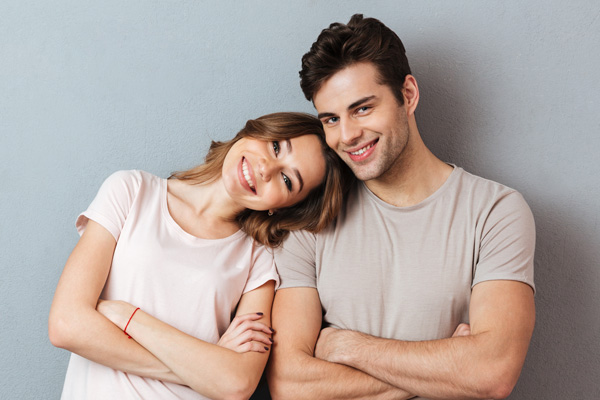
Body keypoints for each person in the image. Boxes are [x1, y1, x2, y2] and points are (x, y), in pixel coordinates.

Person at [267, 14, 536, 400]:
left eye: (362, 108)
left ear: (407, 94)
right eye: (331, 118)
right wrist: (449, 365)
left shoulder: (496, 212)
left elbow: (492, 373)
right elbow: (290, 385)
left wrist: (346, 347)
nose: (347, 136)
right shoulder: (312, 219)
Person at [48, 112, 353, 400]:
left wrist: (126, 317)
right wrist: (204, 368)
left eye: (287, 180)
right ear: (255, 130)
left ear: (283, 207)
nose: (266, 169)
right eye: (275, 147)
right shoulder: (132, 191)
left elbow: (237, 385)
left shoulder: (260, 258)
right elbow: (66, 325)